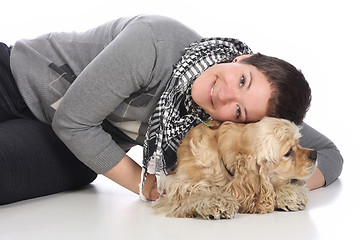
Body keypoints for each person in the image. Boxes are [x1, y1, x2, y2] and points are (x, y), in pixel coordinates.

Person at [0, 15, 343, 205]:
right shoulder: (157, 42)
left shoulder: (239, 117)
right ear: (245, 58)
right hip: (13, 80)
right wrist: (145, 185)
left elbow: (328, 155)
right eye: (242, 80)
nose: (224, 95)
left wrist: (274, 190)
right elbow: (74, 119)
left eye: (239, 112)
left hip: (75, 148)